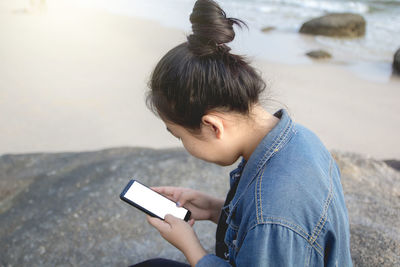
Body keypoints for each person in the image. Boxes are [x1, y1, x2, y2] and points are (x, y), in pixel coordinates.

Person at [132, 0, 352, 266]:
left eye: (179, 136)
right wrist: (217, 209)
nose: (184, 146)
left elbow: (271, 221)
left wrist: (193, 250)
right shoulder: (301, 138)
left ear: (213, 126)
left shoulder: (272, 217)